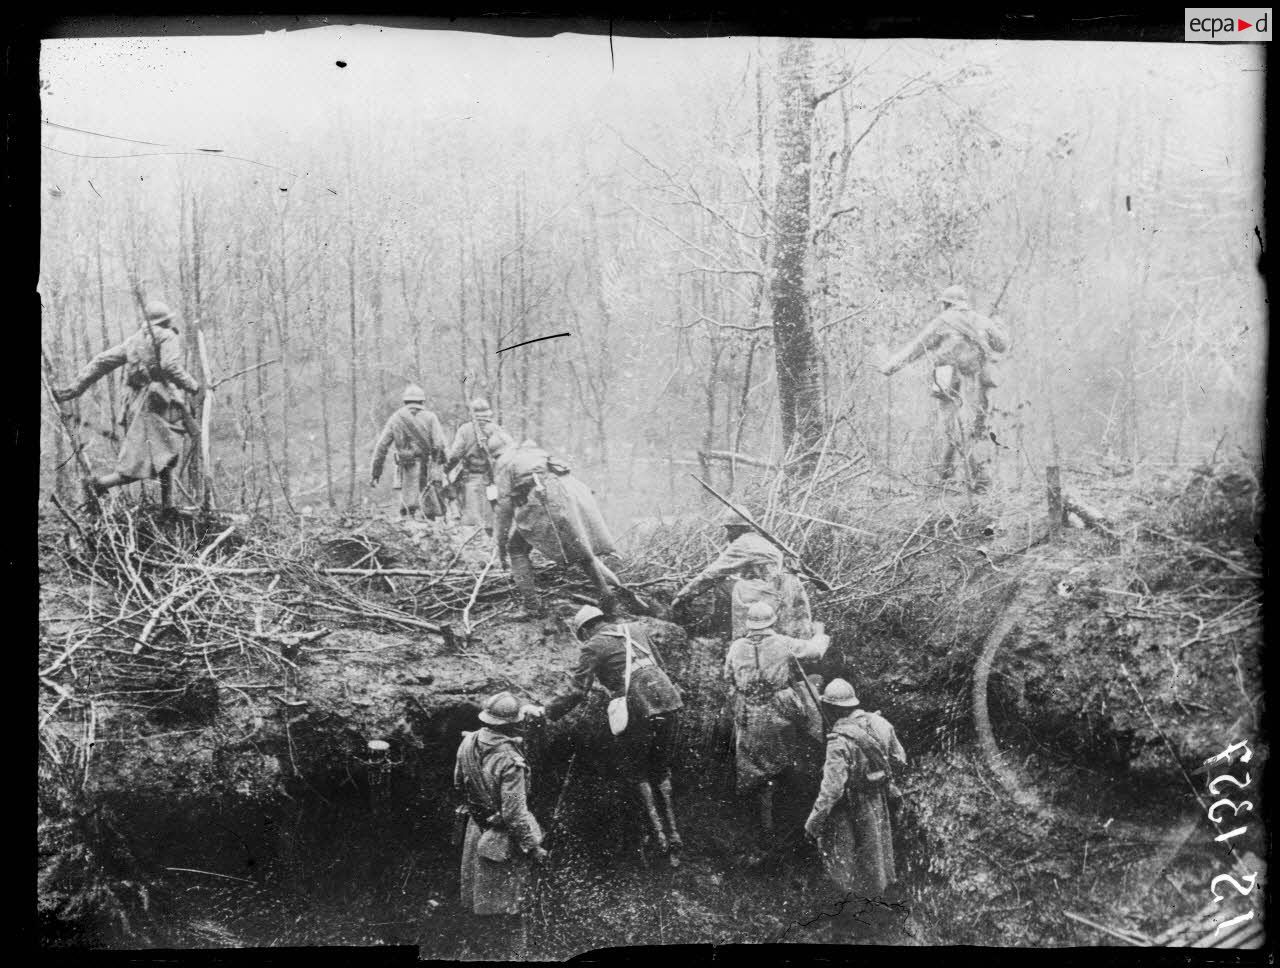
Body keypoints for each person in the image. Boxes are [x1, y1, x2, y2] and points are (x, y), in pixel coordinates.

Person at [525, 605, 684, 864]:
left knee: (636, 773)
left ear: (585, 629)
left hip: (638, 710)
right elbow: (661, 666)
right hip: (668, 702)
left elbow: (578, 690)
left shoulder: (593, 646)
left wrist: (547, 711)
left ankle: (659, 839)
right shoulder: (636, 629)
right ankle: (674, 836)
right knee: (661, 770)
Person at [53, 300, 202, 511]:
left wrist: (73, 390)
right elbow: (171, 367)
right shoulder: (167, 336)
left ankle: (167, 507)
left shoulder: (135, 340)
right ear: (167, 320)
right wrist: (193, 386)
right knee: (142, 462)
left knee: (165, 453)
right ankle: (99, 485)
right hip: (154, 406)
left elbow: (101, 361)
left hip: (140, 405)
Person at [879, 284, 1010, 493]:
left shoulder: (942, 322)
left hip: (949, 382)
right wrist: (999, 325)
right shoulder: (982, 321)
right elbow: (1002, 345)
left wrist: (890, 367)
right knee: (968, 431)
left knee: (952, 429)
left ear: (946, 304)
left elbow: (916, 348)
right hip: (977, 384)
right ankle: (947, 475)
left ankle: (975, 479)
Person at [803, 678, 907, 937]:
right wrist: (876, 777)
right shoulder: (880, 723)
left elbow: (832, 790)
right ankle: (877, 914)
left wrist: (813, 822)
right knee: (876, 856)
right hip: (877, 800)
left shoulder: (838, 741)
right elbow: (899, 760)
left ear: (833, 709)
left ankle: (850, 921)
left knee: (843, 860)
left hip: (848, 806)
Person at [723, 601, 830, 840]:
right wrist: (820, 634)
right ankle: (787, 826)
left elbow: (728, 678)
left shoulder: (736, 647)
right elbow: (815, 651)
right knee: (785, 763)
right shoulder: (782, 643)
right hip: (778, 712)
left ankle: (763, 827)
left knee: (756, 770)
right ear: (772, 622)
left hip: (749, 714)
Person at [454, 691, 548, 960]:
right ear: (511, 724)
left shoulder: (468, 742)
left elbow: (459, 784)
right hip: (503, 841)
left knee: (480, 903)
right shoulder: (510, 761)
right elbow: (515, 813)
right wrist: (532, 847)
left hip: (477, 831)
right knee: (511, 909)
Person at [493, 440, 636, 616]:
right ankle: (609, 594)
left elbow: (504, 509)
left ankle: (531, 606)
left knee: (515, 549)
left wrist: (500, 545)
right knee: (581, 548)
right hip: (569, 495)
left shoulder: (504, 463)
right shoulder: (530, 452)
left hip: (547, 501)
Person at [672, 509, 813, 638]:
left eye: (730, 529)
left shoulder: (743, 544)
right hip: (784, 589)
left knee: (722, 586)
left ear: (739, 528)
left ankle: (723, 634)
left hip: (770, 591)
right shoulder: (759, 540)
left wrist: (683, 596)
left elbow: (712, 574)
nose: (728, 534)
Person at [369, 384, 448, 519]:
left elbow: (382, 446)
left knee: (407, 508)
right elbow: (440, 445)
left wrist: (376, 473)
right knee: (429, 508)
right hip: (427, 468)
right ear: (422, 401)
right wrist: (440, 464)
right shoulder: (430, 417)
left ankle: (408, 518)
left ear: (405, 401)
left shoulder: (396, 418)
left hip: (406, 468)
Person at [445, 397, 515, 534]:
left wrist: (446, 469)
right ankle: (490, 542)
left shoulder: (465, 430)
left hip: (472, 477)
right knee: (492, 515)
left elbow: (455, 455)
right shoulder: (497, 430)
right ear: (489, 413)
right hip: (493, 479)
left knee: (472, 520)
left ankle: (474, 543)